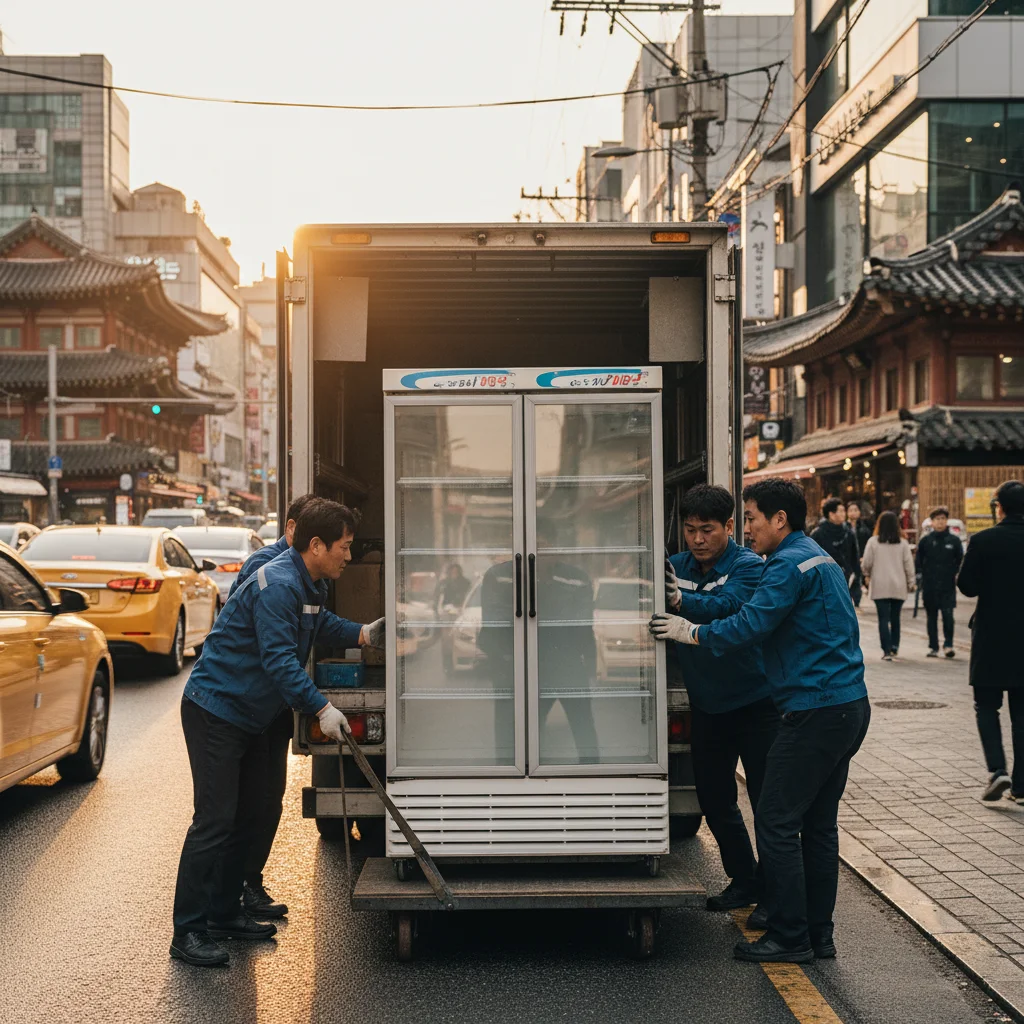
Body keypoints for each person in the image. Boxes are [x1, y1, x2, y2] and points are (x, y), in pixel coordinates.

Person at [650, 477, 869, 964]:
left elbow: (748, 622)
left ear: (779, 520)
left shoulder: (785, 566)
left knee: (775, 819)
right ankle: (818, 934)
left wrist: (689, 629)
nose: (746, 528)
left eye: (749, 518)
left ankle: (790, 935)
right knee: (816, 825)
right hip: (846, 705)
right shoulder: (816, 556)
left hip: (813, 709)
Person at [170, 498, 386, 968]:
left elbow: (319, 624)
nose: (349, 555)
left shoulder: (310, 582)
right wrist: (321, 708)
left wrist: (362, 633)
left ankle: (225, 916)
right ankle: (187, 931)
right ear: (316, 545)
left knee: (246, 816)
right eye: (344, 547)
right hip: (217, 711)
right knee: (213, 821)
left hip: (248, 713)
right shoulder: (278, 585)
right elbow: (279, 661)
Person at [663, 484, 778, 918]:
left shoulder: (749, 565)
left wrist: (680, 601)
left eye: (707, 530)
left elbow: (732, 607)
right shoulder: (674, 566)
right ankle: (743, 878)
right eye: (690, 530)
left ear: (729, 526)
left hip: (757, 704)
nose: (697, 539)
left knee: (770, 805)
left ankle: (773, 893)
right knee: (713, 799)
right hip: (708, 706)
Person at [222, 492, 315, 922]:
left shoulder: (310, 572)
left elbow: (316, 623)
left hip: (275, 704)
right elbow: (263, 647)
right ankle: (232, 894)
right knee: (242, 805)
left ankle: (250, 884)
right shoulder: (266, 567)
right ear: (292, 528)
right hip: (247, 705)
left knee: (269, 799)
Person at [957, 480, 1024, 803]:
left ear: (999, 507)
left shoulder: (984, 540)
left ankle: (998, 771)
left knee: (987, 706)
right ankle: (1022, 787)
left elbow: (967, 587)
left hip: (992, 636)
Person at [861, 511, 916, 661]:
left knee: (883, 618)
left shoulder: (873, 542)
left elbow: (866, 563)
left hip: (880, 585)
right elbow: (909, 566)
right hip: (898, 585)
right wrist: (911, 582)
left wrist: (866, 574)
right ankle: (895, 646)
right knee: (895, 617)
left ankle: (886, 650)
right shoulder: (903, 543)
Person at [916, 507, 964, 659]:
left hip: (947, 585)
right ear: (932, 522)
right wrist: (919, 578)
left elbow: (960, 560)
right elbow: (919, 562)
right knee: (931, 617)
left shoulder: (954, 541)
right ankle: (933, 646)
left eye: (943, 519)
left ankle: (948, 644)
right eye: (937, 519)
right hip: (929, 585)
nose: (940, 522)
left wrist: (955, 574)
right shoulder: (925, 541)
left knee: (948, 616)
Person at [811, 498, 859, 592]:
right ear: (831, 514)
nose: (843, 514)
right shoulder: (818, 534)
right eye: (840, 511)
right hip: (823, 581)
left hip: (846, 579)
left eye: (844, 511)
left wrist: (856, 578)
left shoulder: (849, 533)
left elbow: (854, 558)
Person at [846, 502, 871, 608]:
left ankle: (857, 602)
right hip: (847, 559)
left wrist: (864, 556)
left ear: (859, 512)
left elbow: (867, 544)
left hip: (860, 558)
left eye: (855, 510)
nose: (853, 513)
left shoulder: (864, 528)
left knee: (857, 579)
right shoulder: (843, 528)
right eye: (851, 510)